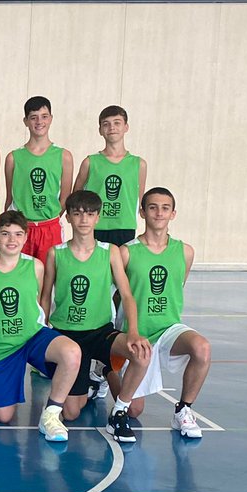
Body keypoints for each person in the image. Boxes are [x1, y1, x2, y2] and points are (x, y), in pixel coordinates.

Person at [42, 190, 152, 443]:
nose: (84, 219)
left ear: (98, 217)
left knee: (141, 353)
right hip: (67, 335)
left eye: (90, 214)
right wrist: (42, 330)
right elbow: (45, 295)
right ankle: (99, 374)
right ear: (68, 217)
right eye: (77, 213)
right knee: (71, 412)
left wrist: (133, 332)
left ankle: (118, 409)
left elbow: (127, 295)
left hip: (101, 331)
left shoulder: (110, 251)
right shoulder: (56, 253)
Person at [0, 210, 80, 442]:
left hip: (32, 336)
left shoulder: (36, 266)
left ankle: (50, 416)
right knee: (3, 416)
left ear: (26, 237)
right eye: (5, 233)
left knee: (72, 352)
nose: (12, 239)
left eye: (18, 234)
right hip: (0, 347)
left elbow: (36, 302)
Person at [113, 187, 211, 438]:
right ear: (142, 212)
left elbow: (178, 285)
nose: (159, 213)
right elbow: (115, 294)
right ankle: (106, 370)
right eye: (153, 207)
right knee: (134, 410)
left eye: (165, 208)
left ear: (173, 214)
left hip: (169, 329)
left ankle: (183, 410)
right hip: (136, 333)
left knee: (202, 347)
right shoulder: (126, 252)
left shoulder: (185, 252)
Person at [3, 95, 72, 263]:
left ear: (51, 119)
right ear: (26, 121)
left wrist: (48, 219)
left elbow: (65, 198)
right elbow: (10, 198)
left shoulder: (64, 156)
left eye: (44, 116)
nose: (39, 121)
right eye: (33, 117)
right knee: (19, 273)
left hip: (50, 228)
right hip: (21, 228)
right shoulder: (13, 157)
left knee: (49, 275)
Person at [74, 105, 147, 248]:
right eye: (106, 124)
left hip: (125, 228)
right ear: (100, 130)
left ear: (126, 127)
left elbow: (140, 200)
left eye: (117, 123)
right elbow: (76, 198)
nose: (112, 127)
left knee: (121, 263)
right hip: (95, 227)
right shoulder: (90, 162)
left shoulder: (139, 164)